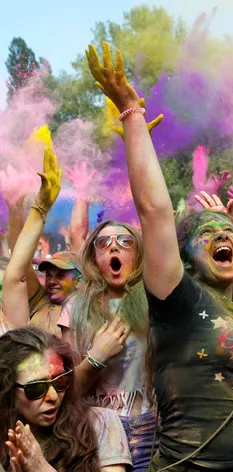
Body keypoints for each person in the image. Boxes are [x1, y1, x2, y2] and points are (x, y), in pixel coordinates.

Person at [86, 41, 233, 471]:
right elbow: (156, 212)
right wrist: (131, 112)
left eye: (228, 233)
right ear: (185, 259)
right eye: (208, 234)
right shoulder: (177, 300)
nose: (223, 238)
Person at [57, 219, 155, 471]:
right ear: (93, 256)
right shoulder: (75, 308)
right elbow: (63, 392)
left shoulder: (157, 304)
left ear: (139, 253)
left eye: (125, 242)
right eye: (104, 243)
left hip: (151, 430)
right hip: (96, 428)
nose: (114, 248)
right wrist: (95, 358)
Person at [0, 327, 131, 471]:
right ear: (7, 390)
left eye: (60, 381)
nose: (53, 396)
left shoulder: (100, 422)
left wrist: (41, 468)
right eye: (36, 388)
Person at [2, 149, 82, 338]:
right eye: (49, 275)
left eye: (61, 274)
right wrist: (14, 207)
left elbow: (79, 234)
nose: (52, 280)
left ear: (80, 280)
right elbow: (19, 265)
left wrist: (82, 194)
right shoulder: (40, 302)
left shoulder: (89, 308)